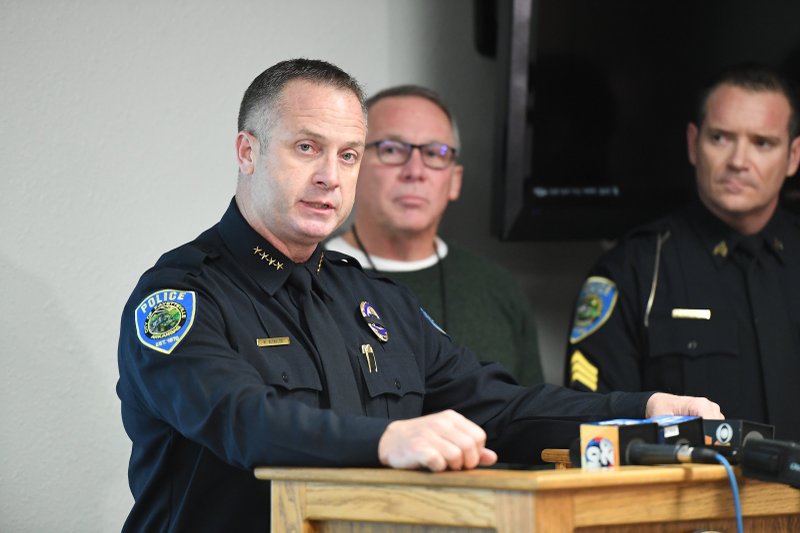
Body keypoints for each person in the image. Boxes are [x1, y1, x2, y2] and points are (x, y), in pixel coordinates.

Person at [117, 58, 722, 532]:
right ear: (247, 151)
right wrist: (385, 441)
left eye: (348, 154)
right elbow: (243, 421)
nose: (330, 174)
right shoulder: (179, 297)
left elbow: (498, 408)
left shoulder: (371, 299)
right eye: (306, 148)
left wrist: (643, 410)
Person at [564, 63, 800, 442]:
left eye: (762, 143)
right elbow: (596, 429)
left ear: (792, 156)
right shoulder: (634, 269)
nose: (738, 161)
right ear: (694, 144)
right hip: (687, 501)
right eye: (720, 138)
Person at [325, 85, 543, 386]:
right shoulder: (306, 279)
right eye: (391, 149)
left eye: (435, 153)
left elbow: (532, 421)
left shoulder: (499, 289)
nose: (415, 171)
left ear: (454, 181)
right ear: (353, 166)